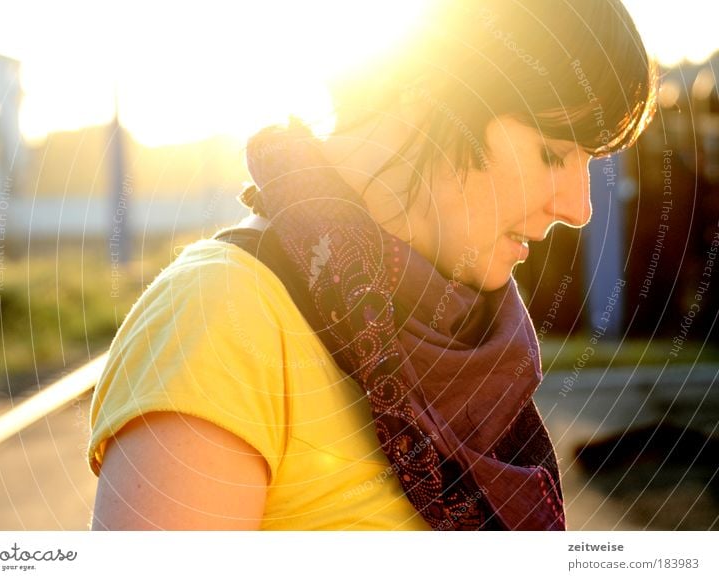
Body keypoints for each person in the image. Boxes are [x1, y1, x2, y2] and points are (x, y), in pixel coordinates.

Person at [88, 0, 657, 531]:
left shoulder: (467, 338)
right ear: (429, 94)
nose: (579, 209)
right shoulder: (219, 315)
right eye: (553, 154)